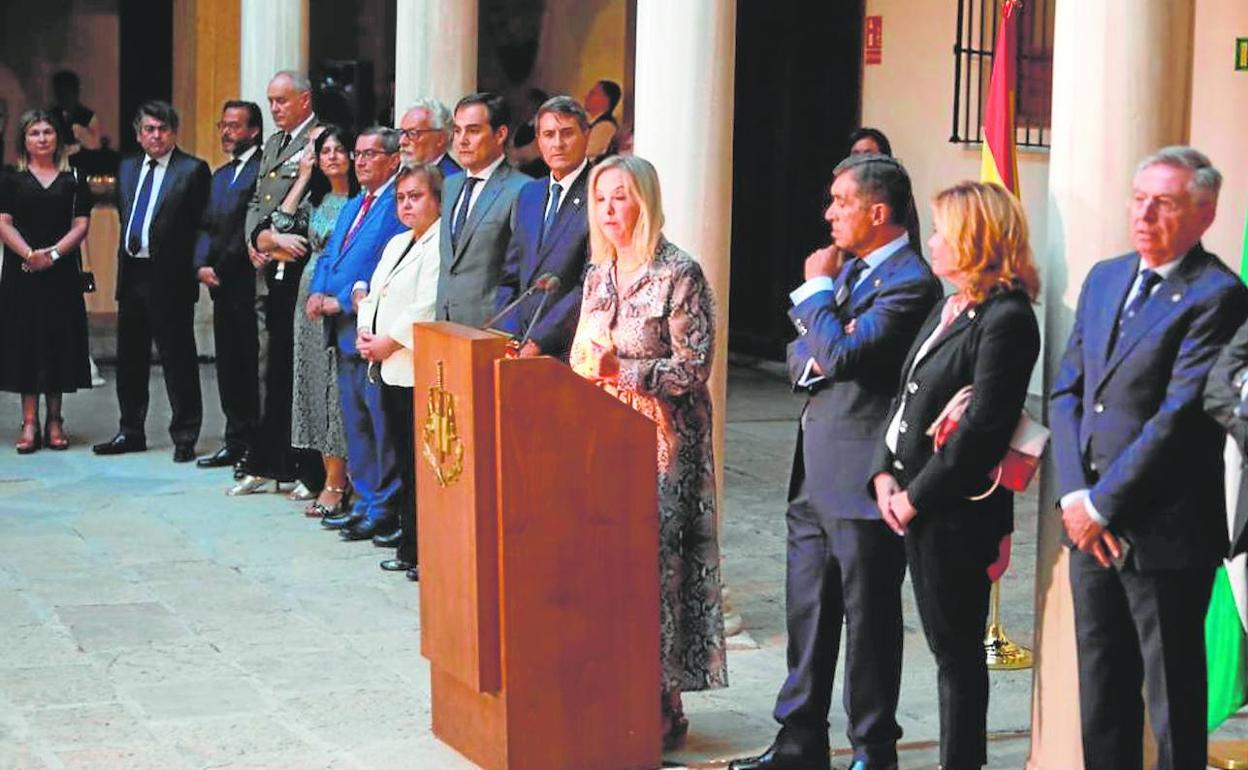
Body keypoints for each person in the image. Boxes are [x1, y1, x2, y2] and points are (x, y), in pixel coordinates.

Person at [730, 154, 940, 770]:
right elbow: (802, 355)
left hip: (864, 476)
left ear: (878, 212)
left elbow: (844, 357)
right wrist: (828, 332)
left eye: (841, 201)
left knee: (869, 624)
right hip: (814, 473)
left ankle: (873, 749)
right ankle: (800, 739)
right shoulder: (849, 271)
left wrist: (819, 297)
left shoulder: (910, 282)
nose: (829, 214)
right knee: (808, 615)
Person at [1051, 146, 1248, 770]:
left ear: (1204, 213)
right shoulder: (1106, 277)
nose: (1144, 215)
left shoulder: (1218, 294)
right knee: (1102, 691)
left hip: (1164, 533)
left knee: (1173, 702)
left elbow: (1179, 415)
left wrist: (1103, 507)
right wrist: (1075, 498)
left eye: (1163, 203)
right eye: (1139, 200)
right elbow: (1067, 391)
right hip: (1089, 527)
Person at [867, 181, 1039, 770]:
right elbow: (905, 396)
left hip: (953, 511)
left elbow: (984, 429)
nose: (933, 242)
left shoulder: (1007, 317)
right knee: (945, 646)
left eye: (943, 231)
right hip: (909, 494)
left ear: (974, 238)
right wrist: (882, 473)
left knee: (956, 653)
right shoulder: (951, 305)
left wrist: (914, 497)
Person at [568, 154, 727, 750]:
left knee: (657, 570)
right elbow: (583, 354)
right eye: (601, 198)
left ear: (646, 201)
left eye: (621, 196)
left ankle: (662, 701)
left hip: (664, 443)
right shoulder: (598, 272)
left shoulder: (679, 272)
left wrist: (624, 372)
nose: (609, 209)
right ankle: (614, 689)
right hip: (602, 439)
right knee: (609, 567)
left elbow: (694, 367)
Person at [242, 126, 357, 513]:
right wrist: (305, 176)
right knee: (309, 383)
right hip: (305, 300)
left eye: (339, 149)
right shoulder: (317, 200)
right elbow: (279, 224)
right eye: (324, 151)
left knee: (335, 389)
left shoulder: (361, 201)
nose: (332, 156)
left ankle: (340, 479)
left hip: (338, 299)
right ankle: (317, 472)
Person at [93, 101, 210, 462]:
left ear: (173, 132)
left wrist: (199, 266)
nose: (156, 135)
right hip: (132, 274)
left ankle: (185, 435)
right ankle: (130, 431)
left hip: (171, 278)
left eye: (162, 129)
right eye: (149, 129)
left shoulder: (192, 170)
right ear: (138, 134)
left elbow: (203, 225)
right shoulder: (127, 168)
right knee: (130, 359)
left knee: (178, 359)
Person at [305, 127, 406, 541]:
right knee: (356, 422)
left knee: (379, 424)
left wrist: (342, 299)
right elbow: (330, 254)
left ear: (394, 159)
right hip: (341, 332)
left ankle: (383, 507)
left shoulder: (395, 205)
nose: (360, 161)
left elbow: (383, 265)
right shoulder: (352, 204)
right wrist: (317, 291)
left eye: (371, 154)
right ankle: (362, 501)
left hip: (371, 329)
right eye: (358, 154)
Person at [356, 163, 443, 580]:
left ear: (437, 200)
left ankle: (422, 550)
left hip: (412, 365)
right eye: (401, 198)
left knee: (419, 464)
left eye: (416, 196)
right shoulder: (397, 242)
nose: (407, 205)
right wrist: (365, 334)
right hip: (385, 364)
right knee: (402, 459)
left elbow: (425, 306)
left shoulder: (441, 242)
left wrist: (389, 342)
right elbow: (373, 294)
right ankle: (408, 546)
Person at [239, 70, 320, 485]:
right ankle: (267, 456)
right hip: (268, 262)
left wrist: (272, 238)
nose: (274, 108)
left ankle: (299, 462)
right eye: (271, 101)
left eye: (282, 100)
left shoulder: (319, 140)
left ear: (304, 100)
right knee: (267, 365)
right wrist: (255, 240)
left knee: (293, 367)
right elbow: (257, 198)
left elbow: (318, 201)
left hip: (297, 265)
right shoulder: (274, 143)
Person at [0, 110, 93, 452]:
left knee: (57, 340)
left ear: (58, 138)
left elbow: (81, 225)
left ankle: (55, 420)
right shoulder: (11, 179)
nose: (42, 138)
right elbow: (3, 222)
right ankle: (29, 422)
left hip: (61, 272)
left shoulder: (74, 179)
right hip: (22, 272)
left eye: (47, 132)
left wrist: (51, 255)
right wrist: (30, 255)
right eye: (34, 133)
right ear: (24, 140)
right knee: (26, 341)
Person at [193, 100, 264, 472]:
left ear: (254, 131)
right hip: (219, 284)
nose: (226, 132)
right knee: (228, 364)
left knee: (251, 364)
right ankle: (234, 439)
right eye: (223, 125)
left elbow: (249, 229)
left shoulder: (263, 171)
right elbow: (205, 225)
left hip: (249, 282)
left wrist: (219, 264)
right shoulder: (220, 175)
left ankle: (255, 443)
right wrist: (201, 264)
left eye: (234, 126)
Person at [493, 95, 592, 360]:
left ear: (586, 135)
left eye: (567, 133)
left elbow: (588, 284)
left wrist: (539, 341)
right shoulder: (529, 194)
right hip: (519, 347)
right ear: (538, 140)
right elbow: (510, 276)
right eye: (549, 135)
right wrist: (510, 337)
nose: (557, 143)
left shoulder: (599, 192)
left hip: (567, 350)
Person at [435, 92, 530, 327]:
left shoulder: (522, 189)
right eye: (457, 131)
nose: (462, 140)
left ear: (500, 134)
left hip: (490, 328)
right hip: (443, 324)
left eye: (473, 131)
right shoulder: (450, 185)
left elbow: (522, 270)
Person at [847, 127, 922, 256]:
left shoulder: (896, 191)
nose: (861, 160)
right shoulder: (843, 190)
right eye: (855, 154)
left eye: (868, 154)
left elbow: (910, 236)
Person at [396, 98, 461, 179]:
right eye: (401, 132)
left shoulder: (453, 180)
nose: (402, 141)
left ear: (440, 139)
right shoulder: (403, 174)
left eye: (412, 133)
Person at [49, 70, 101, 162]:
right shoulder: (51, 116)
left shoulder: (89, 117)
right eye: (59, 93)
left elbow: (96, 146)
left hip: (85, 164)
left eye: (66, 93)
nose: (62, 98)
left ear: (75, 92)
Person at [584, 79, 622, 163]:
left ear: (605, 99)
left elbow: (587, 151)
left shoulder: (606, 126)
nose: (586, 96)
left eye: (592, 93)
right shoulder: (589, 122)